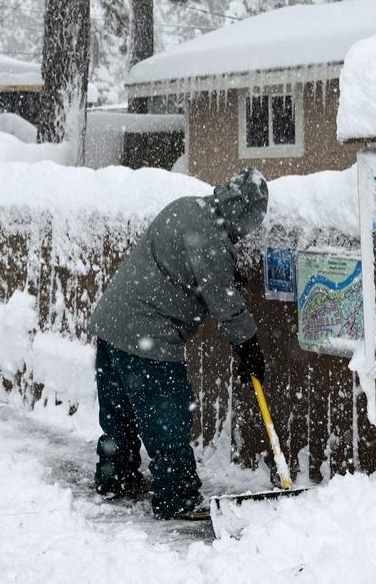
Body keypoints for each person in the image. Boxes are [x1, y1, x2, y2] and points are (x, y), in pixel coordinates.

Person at [86, 168, 269, 520]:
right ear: (244, 217)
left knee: (119, 417)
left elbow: (192, 267)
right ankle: (177, 497)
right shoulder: (212, 239)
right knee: (167, 418)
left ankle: (116, 478)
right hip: (149, 338)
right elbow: (225, 302)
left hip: (111, 327)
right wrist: (248, 346)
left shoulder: (187, 206)